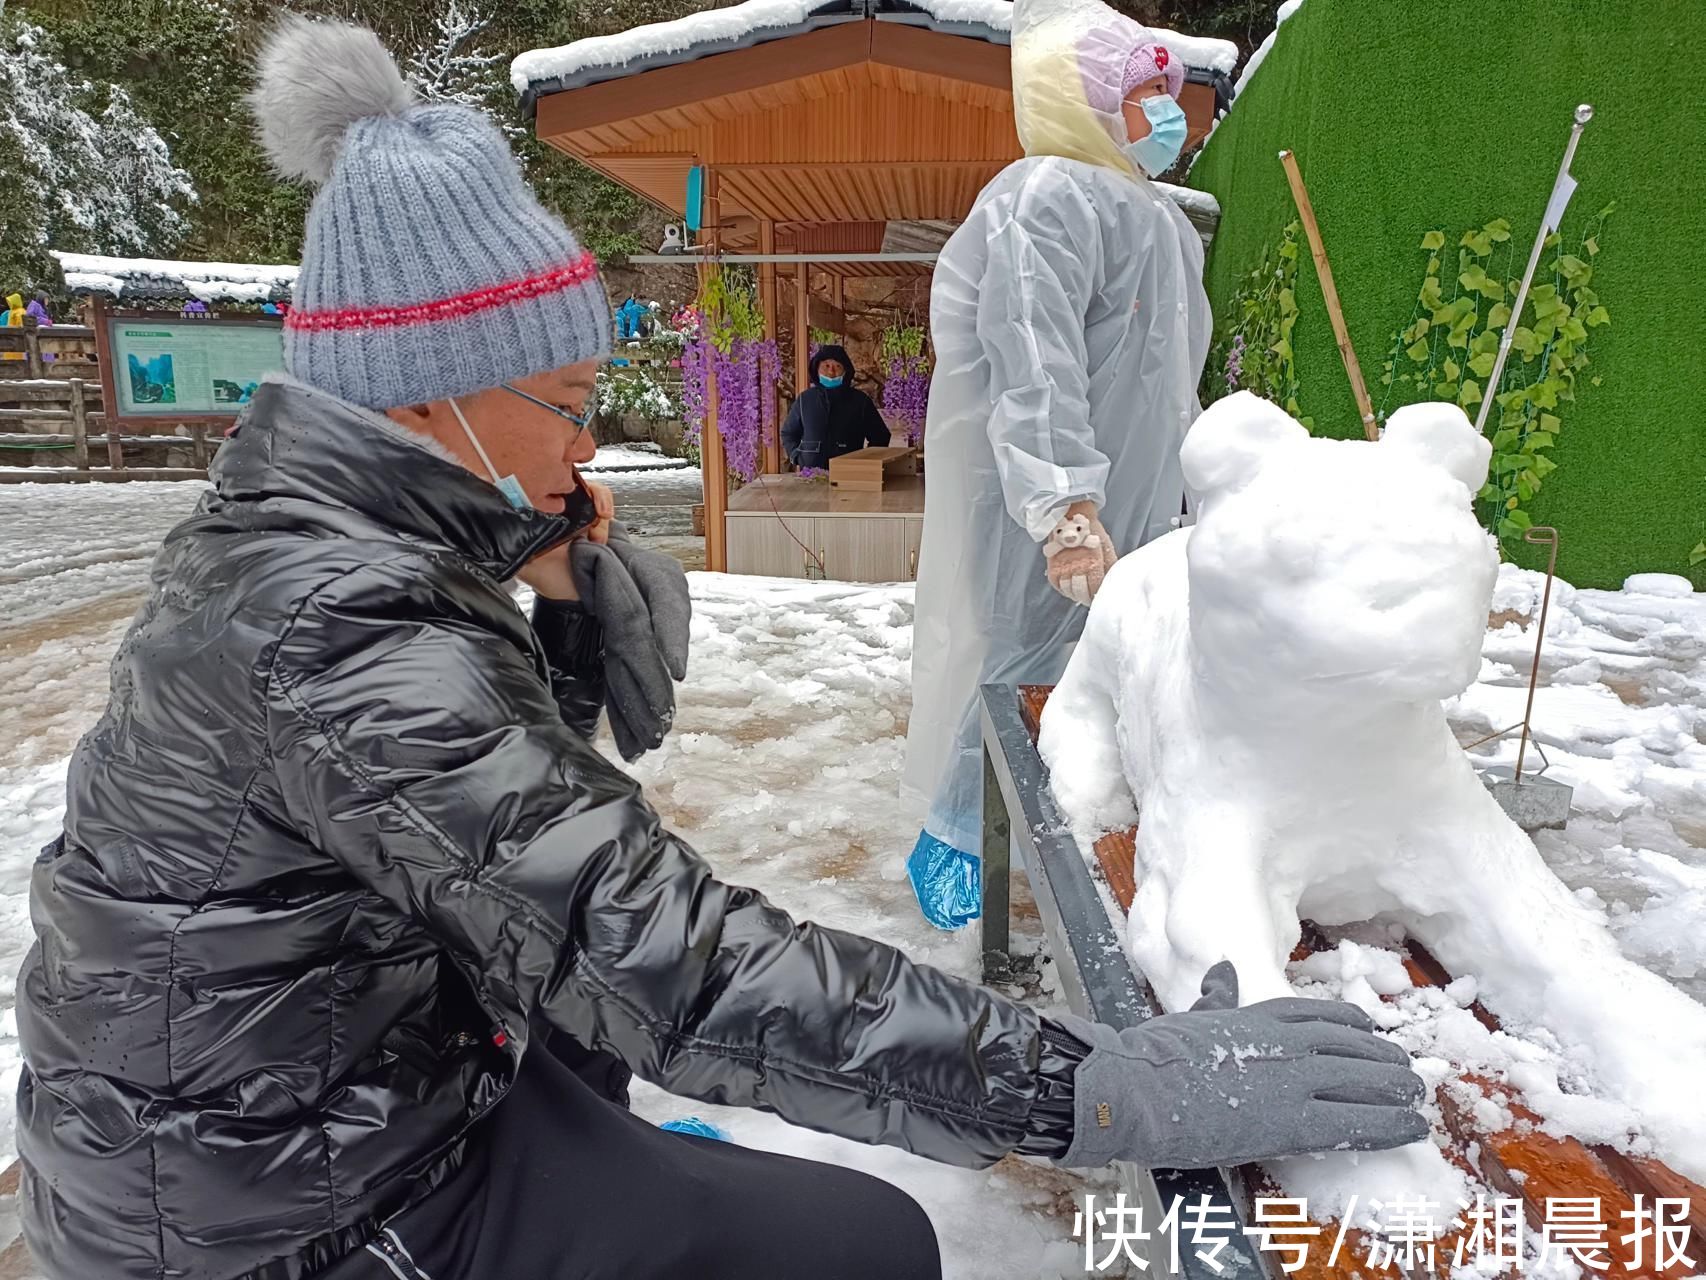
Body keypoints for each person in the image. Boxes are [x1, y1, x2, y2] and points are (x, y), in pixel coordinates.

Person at [14, 17, 1429, 1280]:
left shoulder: (307, 545)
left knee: (626, 1081)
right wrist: (1091, 1091)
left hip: (329, 1093)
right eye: (567, 399)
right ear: (431, 396)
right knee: (866, 1243)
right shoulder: (342, 630)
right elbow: (654, 954)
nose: (583, 445)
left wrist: (552, 613)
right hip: (271, 1216)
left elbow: (471, 853)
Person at [902, 0, 1210, 928]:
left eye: (1168, 92)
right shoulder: (1046, 199)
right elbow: (1030, 359)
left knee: (1104, 672)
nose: (1168, 111)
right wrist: (1063, 507)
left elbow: (1165, 385)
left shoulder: (1163, 221)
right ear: (1080, 101)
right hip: (1051, 510)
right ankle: (957, 847)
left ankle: (1071, 835)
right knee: (1022, 668)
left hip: (1143, 503)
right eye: (1146, 91)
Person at [781, 343, 891, 469]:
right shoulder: (805, 400)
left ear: (846, 371)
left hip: (848, 475)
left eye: (837, 366)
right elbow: (788, 433)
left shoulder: (861, 401)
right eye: (826, 365)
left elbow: (881, 436)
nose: (831, 371)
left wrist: (865, 462)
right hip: (811, 475)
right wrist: (796, 456)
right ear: (817, 368)